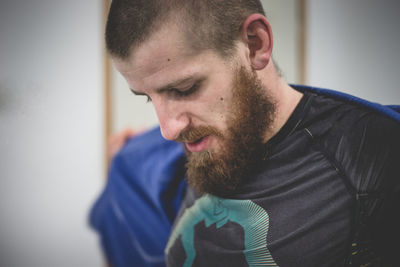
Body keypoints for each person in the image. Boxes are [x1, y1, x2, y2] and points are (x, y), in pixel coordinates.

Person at [92, 0, 400, 266]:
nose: (169, 130)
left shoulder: (373, 159)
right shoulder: (191, 147)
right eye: (148, 97)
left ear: (255, 44)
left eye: (184, 89)